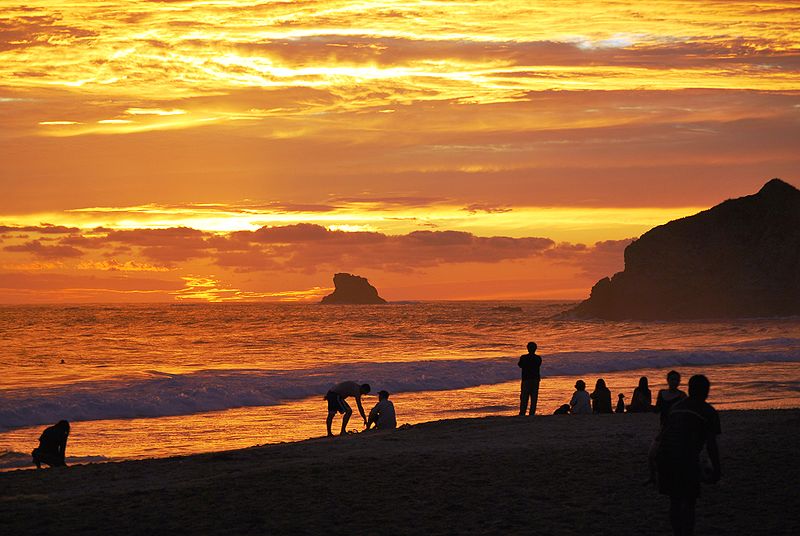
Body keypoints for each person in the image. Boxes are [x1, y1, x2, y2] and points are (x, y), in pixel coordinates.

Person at [657, 375, 721, 536]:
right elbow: (711, 445)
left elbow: (662, 435)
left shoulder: (676, 408)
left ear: (689, 389)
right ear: (706, 391)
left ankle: (677, 532)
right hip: (686, 459)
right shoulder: (708, 411)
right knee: (690, 501)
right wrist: (717, 470)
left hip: (665, 457)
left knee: (675, 500)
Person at [518, 341, 542, 416]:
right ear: (535, 349)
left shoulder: (523, 357)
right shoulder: (538, 358)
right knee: (534, 397)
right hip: (535, 379)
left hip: (526, 379)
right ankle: (532, 413)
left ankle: (522, 413)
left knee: (524, 397)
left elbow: (520, 365)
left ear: (528, 349)